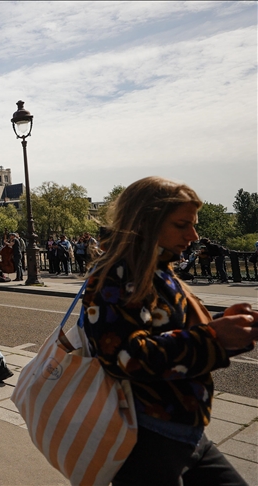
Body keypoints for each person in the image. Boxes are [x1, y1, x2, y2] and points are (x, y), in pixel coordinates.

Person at [81, 176, 255, 485]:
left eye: (193, 224)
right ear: (147, 221)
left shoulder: (159, 267)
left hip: (184, 432)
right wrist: (214, 337)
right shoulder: (117, 271)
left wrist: (226, 327)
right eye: (181, 224)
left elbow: (173, 332)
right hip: (149, 436)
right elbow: (126, 357)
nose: (194, 235)